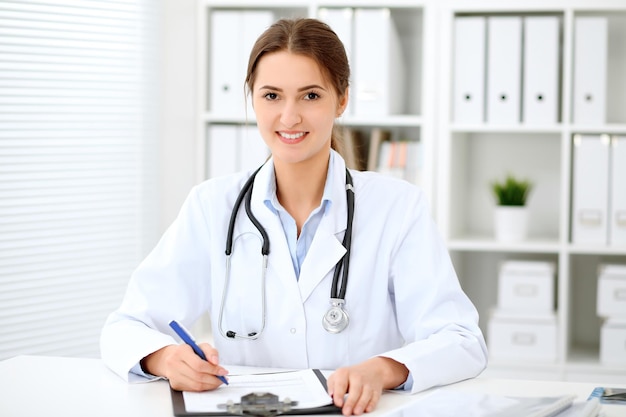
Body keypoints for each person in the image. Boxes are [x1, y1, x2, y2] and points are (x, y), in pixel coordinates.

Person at [101, 17, 488, 416]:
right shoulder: (212, 206)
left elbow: (461, 340)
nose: (289, 117)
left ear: (341, 100)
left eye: (310, 96)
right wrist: (164, 359)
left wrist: (384, 369)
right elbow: (125, 327)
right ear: (252, 98)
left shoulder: (397, 207)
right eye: (271, 96)